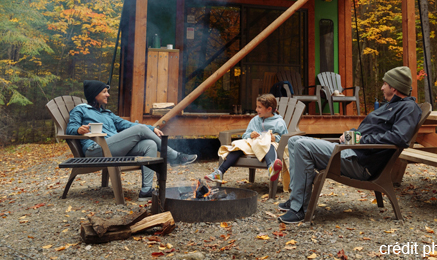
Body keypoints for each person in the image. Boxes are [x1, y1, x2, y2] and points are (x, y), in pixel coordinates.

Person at [277, 66, 422, 224]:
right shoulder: (389, 106)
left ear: (394, 87)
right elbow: (369, 129)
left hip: (360, 162)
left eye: (385, 84)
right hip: (352, 151)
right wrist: (350, 135)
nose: (382, 87)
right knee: (293, 141)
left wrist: (360, 141)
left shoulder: (408, 108)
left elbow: (399, 137)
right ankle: (296, 198)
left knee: (302, 146)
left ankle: (299, 209)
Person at [67, 80, 197, 201]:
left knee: (149, 144)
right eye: (104, 92)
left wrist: (151, 128)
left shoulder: (107, 113)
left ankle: (146, 191)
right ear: (95, 94)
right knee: (140, 129)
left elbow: (127, 124)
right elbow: (70, 128)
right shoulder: (80, 110)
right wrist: (78, 130)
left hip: (112, 148)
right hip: (95, 150)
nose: (108, 94)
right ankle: (174, 156)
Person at [205, 94, 287, 183]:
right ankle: (219, 173)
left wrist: (275, 138)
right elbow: (245, 135)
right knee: (239, 146)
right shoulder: (255, 120)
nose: (256, 109)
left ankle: (272, 169)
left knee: (269, 145)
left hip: (270, 145)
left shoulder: (279, 122)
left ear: (269, 109)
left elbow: (285, 137)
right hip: (253, 145)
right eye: (256, 107)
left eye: (259, 107)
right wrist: (250, 135)